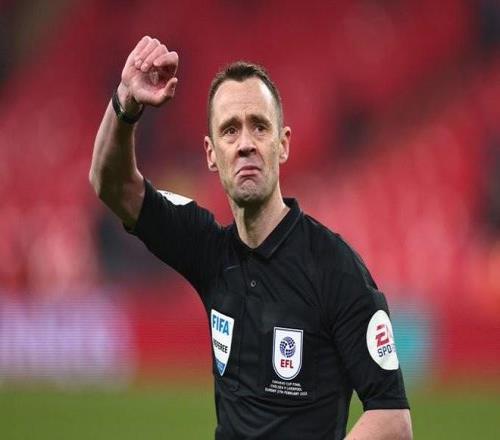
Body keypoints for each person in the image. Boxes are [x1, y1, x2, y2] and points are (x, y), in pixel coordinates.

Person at [90, 36, 412, 440]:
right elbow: (112, 185)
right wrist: (125, 102)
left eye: (259, 127)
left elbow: (392, 419)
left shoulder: (335, 268)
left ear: (283, 144)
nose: (245, 144)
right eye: (230, 131)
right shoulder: (208, 250)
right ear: (211, 154)